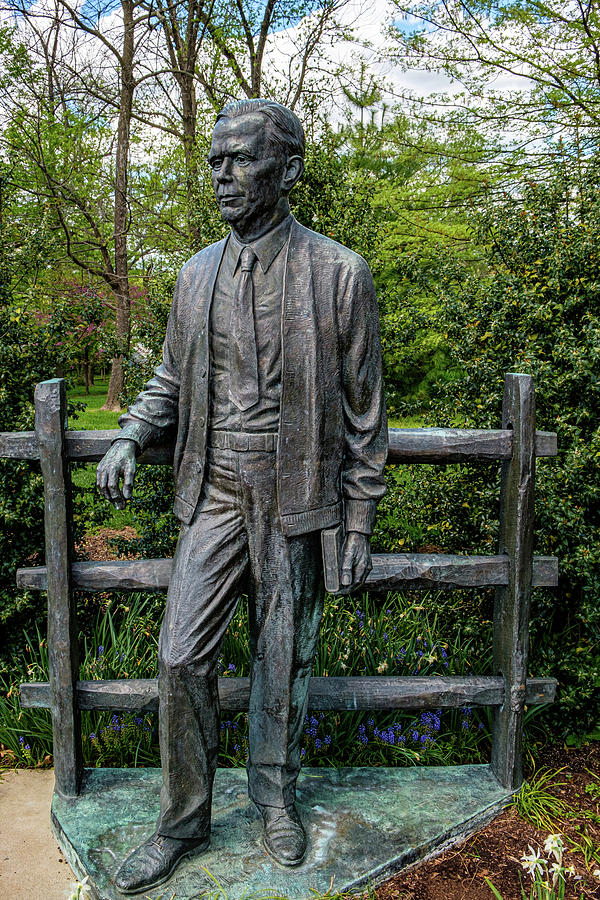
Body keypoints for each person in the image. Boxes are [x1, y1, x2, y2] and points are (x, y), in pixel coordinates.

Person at [97, 98, 387, 895]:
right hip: (216, 490)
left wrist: (358, 518)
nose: (221, 174)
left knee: (280, 657)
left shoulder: (338, 272)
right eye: (216, 160)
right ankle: (182, 820)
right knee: (180, 654)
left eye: (241, 159)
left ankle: (274, 798)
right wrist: (130, 434)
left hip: (296, 494)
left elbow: (365, 414)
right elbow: (169, 379)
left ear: (288, 172)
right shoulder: (196, 274)